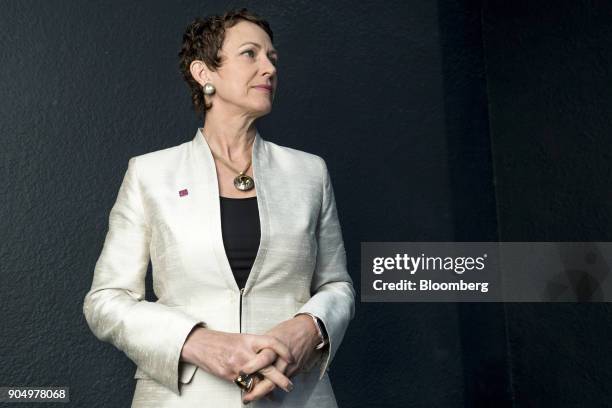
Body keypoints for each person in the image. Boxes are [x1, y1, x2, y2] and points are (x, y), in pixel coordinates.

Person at [82, 8, 355, 408]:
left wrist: (309, 328)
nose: (269, 68)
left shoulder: (309, 172)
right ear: (203, 73)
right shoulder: (150, 174)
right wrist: (195, 341)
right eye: (250, 54)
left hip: (297, 397)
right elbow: (105, 300)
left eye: (272, 58)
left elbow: (338, 286)